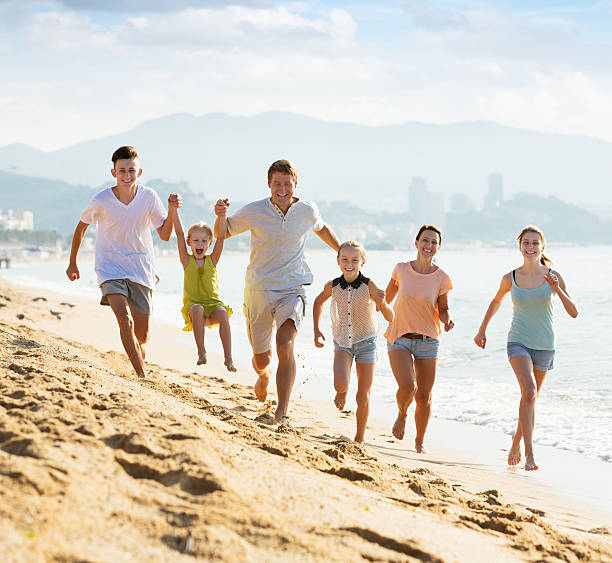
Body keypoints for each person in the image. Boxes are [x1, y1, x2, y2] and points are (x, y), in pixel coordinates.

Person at [214, 159, 340, 423]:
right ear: (269, 184)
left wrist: (341, 252)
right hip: (258, 289)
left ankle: (281, 411)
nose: (282, 189)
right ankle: (263, 375)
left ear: (296, 184)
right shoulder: (255, 210)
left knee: (285, 343)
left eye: (287, 184)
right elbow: (222, 233)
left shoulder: (307, 210)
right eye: (277, 184)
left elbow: (322, 227)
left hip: (292, 289)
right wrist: (221, 215)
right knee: (262, 359)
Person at [66, 145, 181, 377]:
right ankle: (142, 375)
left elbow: (165, 234)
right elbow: (80, 228)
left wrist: (171, 210)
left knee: (142, 335)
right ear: (113, 173)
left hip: (141, 268)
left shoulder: (149, 197)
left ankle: (138, 350)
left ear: (139, 172)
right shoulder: (101, 200)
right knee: (124, 319)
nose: (127, 176)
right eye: (122, 171)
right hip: (110, 268)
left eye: (131, 170)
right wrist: (73, 262)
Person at [474, 225, 578, 471]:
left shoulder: (553, 275)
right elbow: (496, 300)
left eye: (535, 243)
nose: (530, 247)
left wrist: (557, 289)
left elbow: (574, 312)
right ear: (519, 246)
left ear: (543, 247)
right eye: (526, 243)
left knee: (529, 398)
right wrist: (482, 329)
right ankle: (530, 454)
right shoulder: (510, 277)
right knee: (529, 391)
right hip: (518, 341)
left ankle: (516, 442)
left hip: (545, 345)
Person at [312, 241, 394, 443]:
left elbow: (390, 317)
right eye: (345, 259)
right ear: (338, 261)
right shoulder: (333, 285)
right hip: (342, 342)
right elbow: (317, 302)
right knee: (340, 384)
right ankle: (342, 391)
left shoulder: (369, 285)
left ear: (362, 262)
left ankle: (359, 437)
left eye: (355, 260)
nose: (350, 263)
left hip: (367, 343)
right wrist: (316, 329)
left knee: (362, 394)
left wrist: (382, 303)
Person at [384, 225, 454, 452]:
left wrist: (447, 319)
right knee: (408, 386)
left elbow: (443, 308)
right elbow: (385, 299)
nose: (429, 245)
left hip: (428, 339)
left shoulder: (442, 277)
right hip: (399, 336)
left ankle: (419, 441)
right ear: (416, 243)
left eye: (434, 242)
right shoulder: (401, 269)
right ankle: (402, 415)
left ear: (439, 247)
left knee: (424, 396)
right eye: (425, 240)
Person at [173, 207, 235, 371]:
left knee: (222, 311)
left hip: (212, 306)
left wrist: (222, 216)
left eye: (203, 241)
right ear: (189, 243)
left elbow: (221, 237)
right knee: (198, 308)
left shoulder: (212, 260)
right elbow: (179, 233)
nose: (199, 244)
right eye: (195, 240)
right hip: (194, 309)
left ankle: (228, 357)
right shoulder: (186, 261)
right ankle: (201, 352)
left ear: (209, 243)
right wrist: (174, 209)